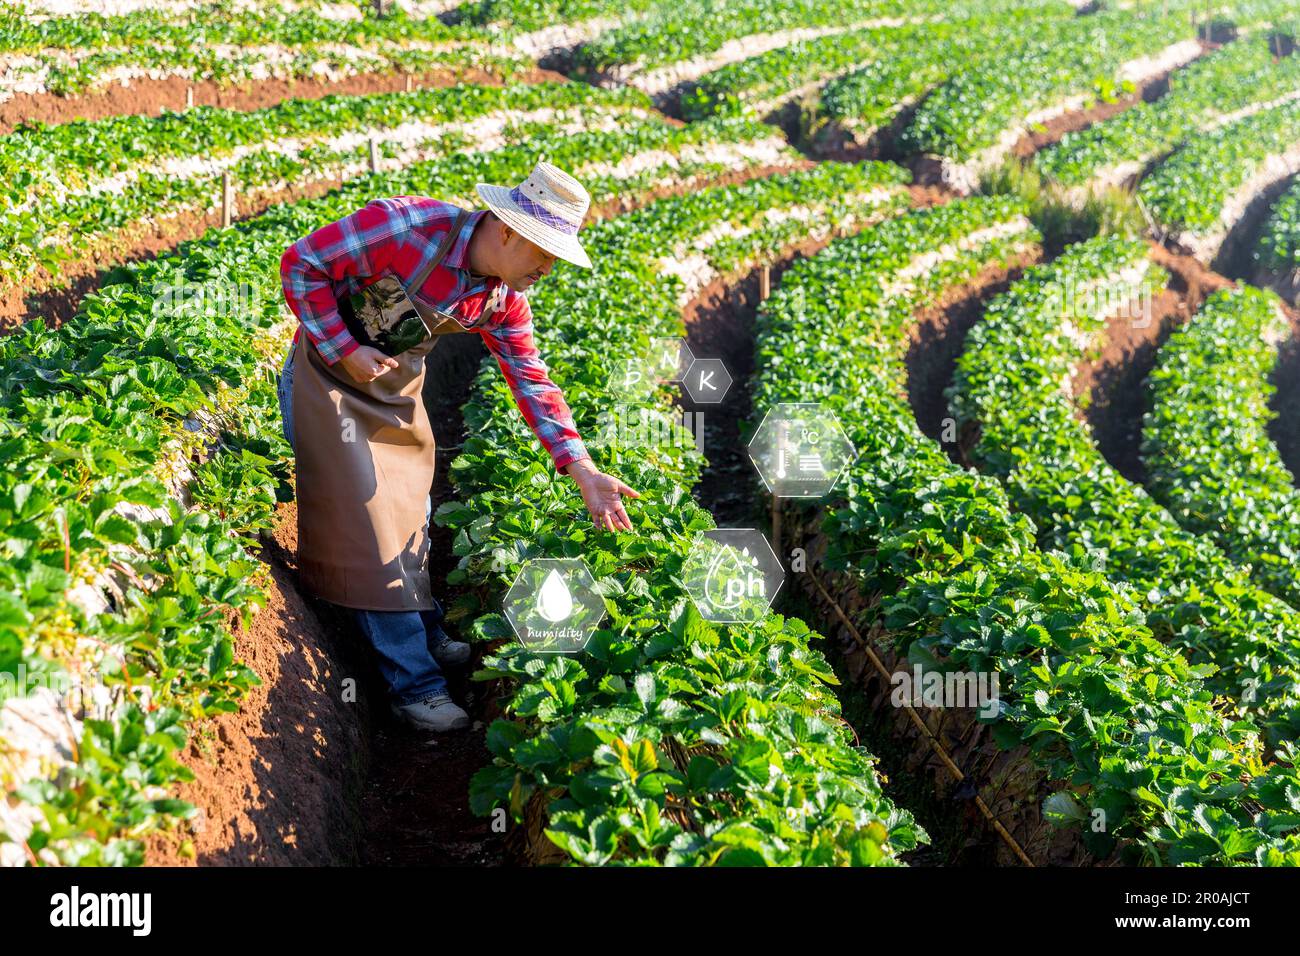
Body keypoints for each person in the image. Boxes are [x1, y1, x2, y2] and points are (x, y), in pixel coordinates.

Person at [277, 161, 639, 732]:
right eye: (543, 252)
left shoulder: (500, 300)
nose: (547, 268)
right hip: (328, 384)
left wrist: (582, 469)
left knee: (414, 514)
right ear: (507, 230)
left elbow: (531, 377)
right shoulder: (406, 229)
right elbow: (301, 264)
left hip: (394, 392)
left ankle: (425, 629)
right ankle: (412, 687)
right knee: (371, 527)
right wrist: (345, 346)